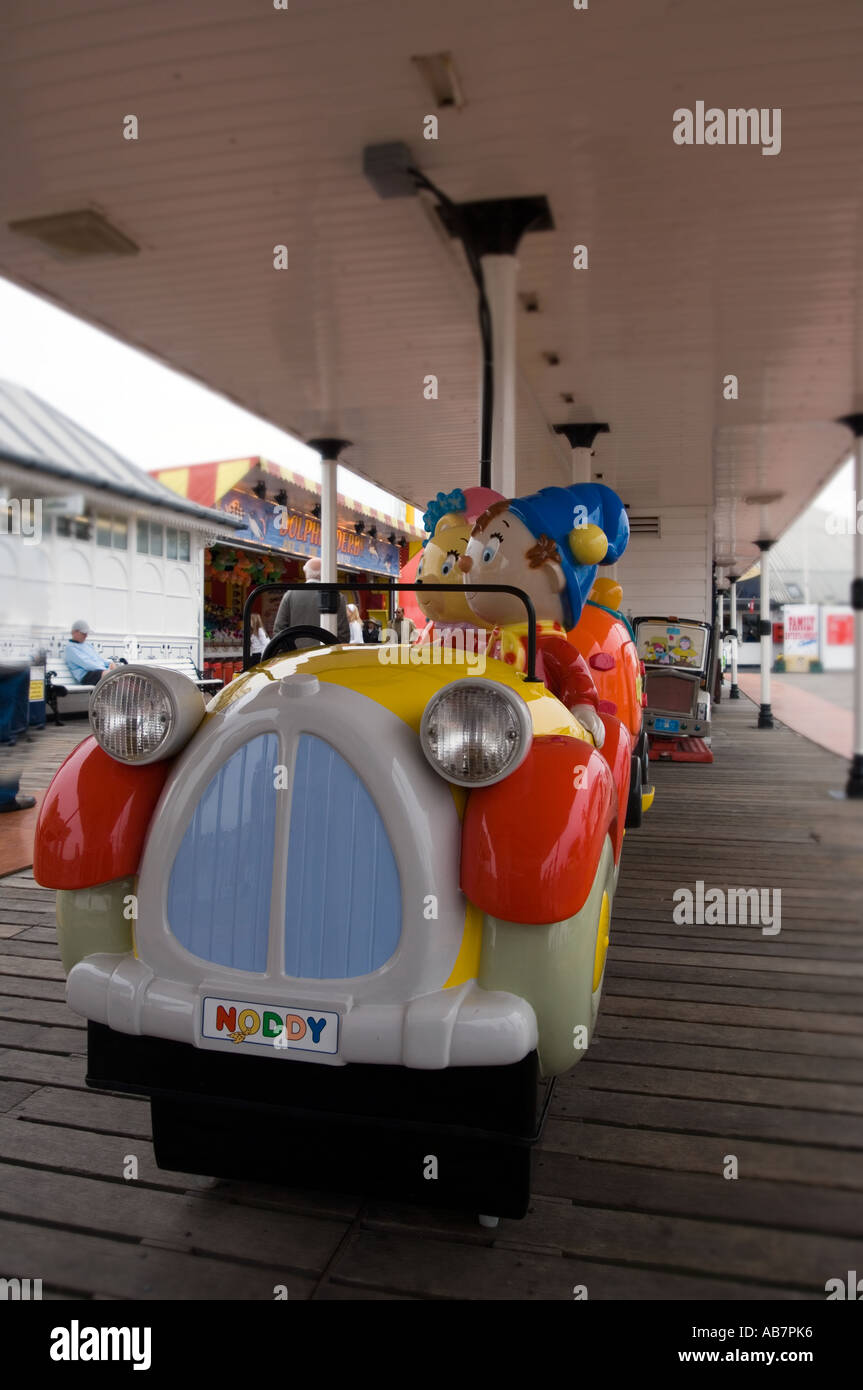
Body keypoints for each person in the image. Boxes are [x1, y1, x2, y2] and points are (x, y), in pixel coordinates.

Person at [272, 558, 350, 648]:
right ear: (325, 572)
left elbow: (279, 629)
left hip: (296, 656)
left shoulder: (290, 594)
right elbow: (343, 633)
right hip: (326, 655)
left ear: (306, 573)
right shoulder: (337, 597)